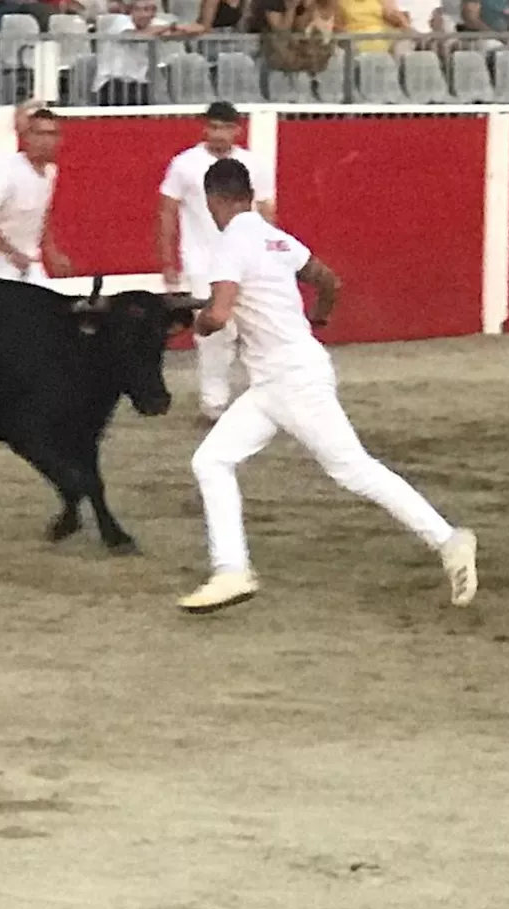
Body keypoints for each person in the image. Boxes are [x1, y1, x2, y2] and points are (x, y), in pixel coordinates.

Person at [177, 158, 478, 613]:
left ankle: (448, 539)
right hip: (280, 376)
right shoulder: (274, 237)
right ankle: (230, 569)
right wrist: (318, 318)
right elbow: (327, 280)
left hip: (287, 379)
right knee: (211, 460)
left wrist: (197, 325)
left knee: (353, 469)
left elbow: (218, 315)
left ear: (215, 200)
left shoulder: (229, 242)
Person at [158, 100, 275, 423]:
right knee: (214, 332)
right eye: (214, 126)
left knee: (256, 326)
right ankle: (214, 403)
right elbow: (167, 211)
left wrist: (268, 254)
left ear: (238, 129)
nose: (219, 134)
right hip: (202, 260)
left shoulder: (254, 164)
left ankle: (263, 398)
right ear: (204, 127)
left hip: (247, 259)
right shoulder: (184, 164)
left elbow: (266, 211)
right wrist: (168, 261)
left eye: (226, 127)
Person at [0, 107, 74, 287]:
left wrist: (52, 254)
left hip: (26, 262)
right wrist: (9, 252)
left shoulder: (50, 172)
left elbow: (41, 216)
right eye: (39, 134)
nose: (46, 141)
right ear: (26, 138)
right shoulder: (9, 173)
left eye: (52, 134)